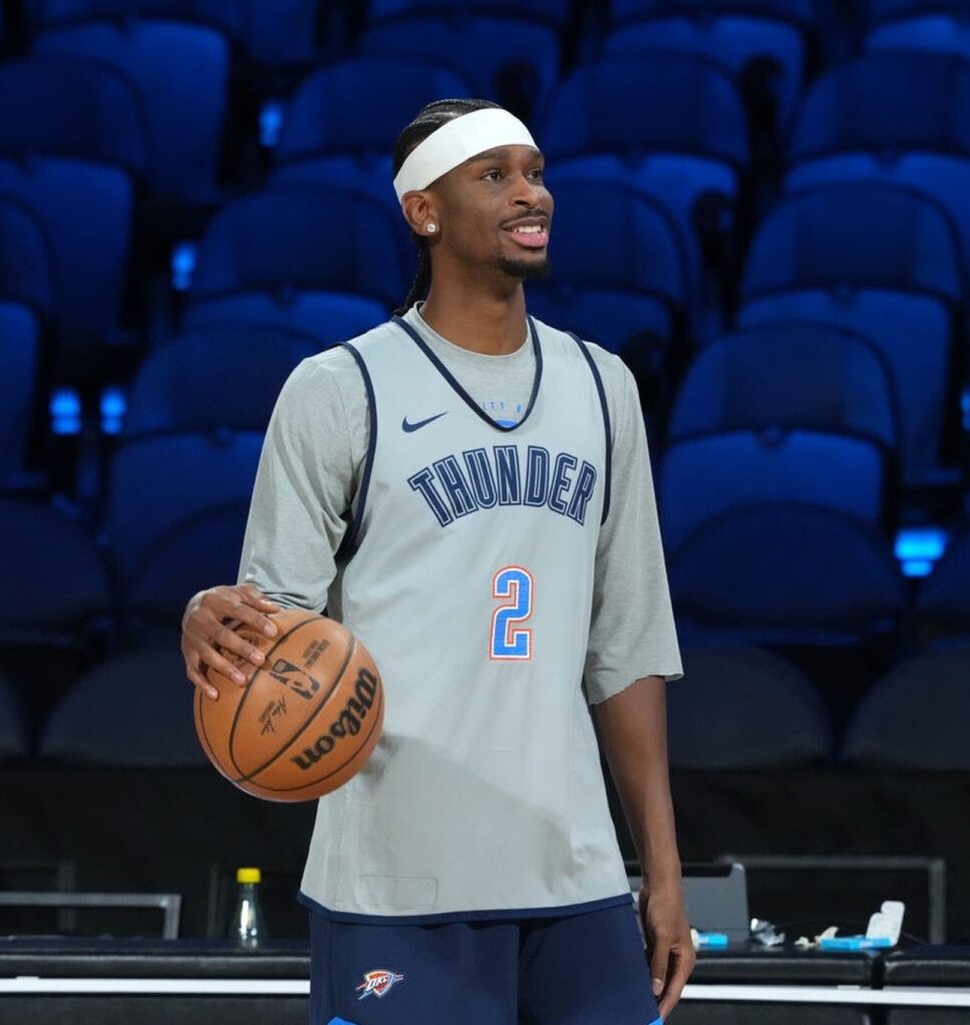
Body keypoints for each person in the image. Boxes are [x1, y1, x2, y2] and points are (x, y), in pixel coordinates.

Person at [181, 98, 692, 1024]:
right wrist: (205, 616)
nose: (529, 193)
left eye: (534, 171)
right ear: (424, 211)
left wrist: (661, 873)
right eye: (493, 176)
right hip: (396, 883)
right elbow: (271, 630)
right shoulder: (341, 388)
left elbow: (626, 649)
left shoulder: (603, 385)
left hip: (575, 878)